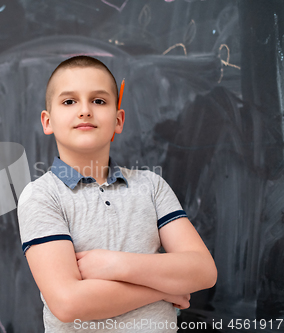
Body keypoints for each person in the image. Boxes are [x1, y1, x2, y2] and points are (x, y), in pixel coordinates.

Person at [16, 55, 217, 332]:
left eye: (99, 101)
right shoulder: (41, 195)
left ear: (118, 120)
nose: (85, 110)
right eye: (69, 101)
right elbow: (68, 304)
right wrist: (162, 290)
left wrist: (114, 264)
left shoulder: (151, 186)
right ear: (47, 121)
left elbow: (203, 271)